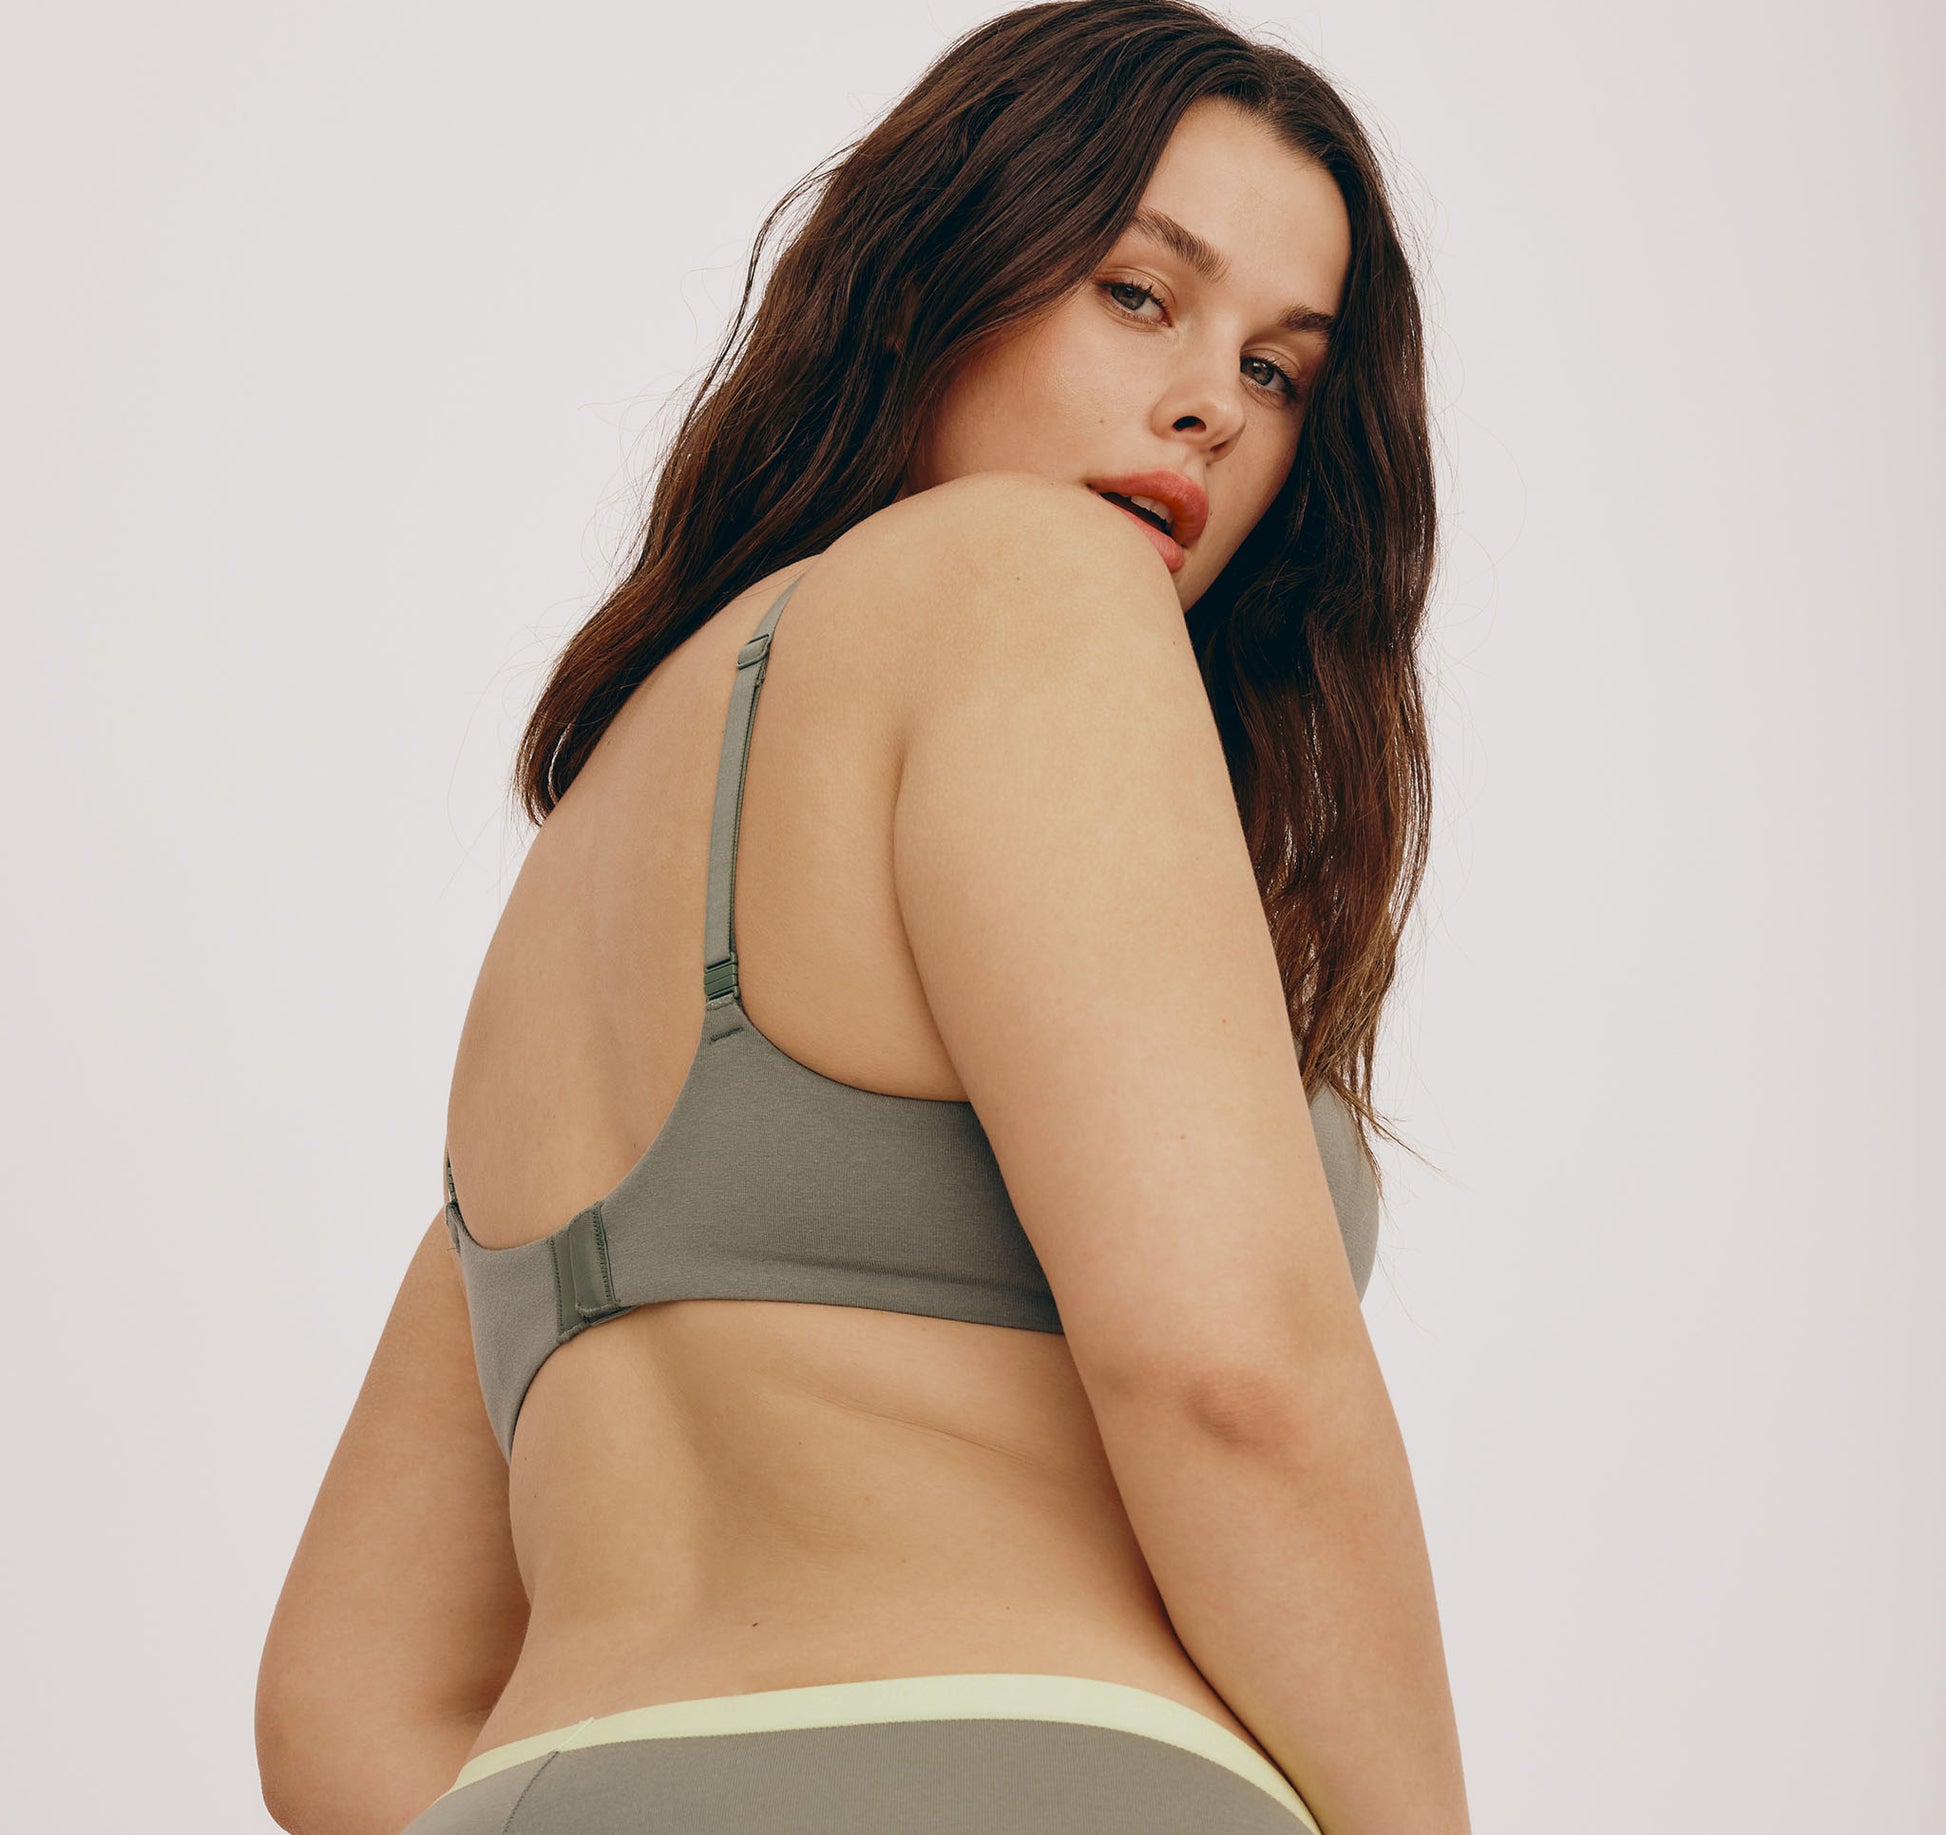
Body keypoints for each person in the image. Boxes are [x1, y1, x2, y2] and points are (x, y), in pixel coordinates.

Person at [256, 3, 1469, 1830]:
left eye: (1278, 370)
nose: (1211, 404)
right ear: (934, 280)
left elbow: (342, 1701)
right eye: (1139, 294)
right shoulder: (1037, 579)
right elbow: (1227, 1380)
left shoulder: (608, 840)